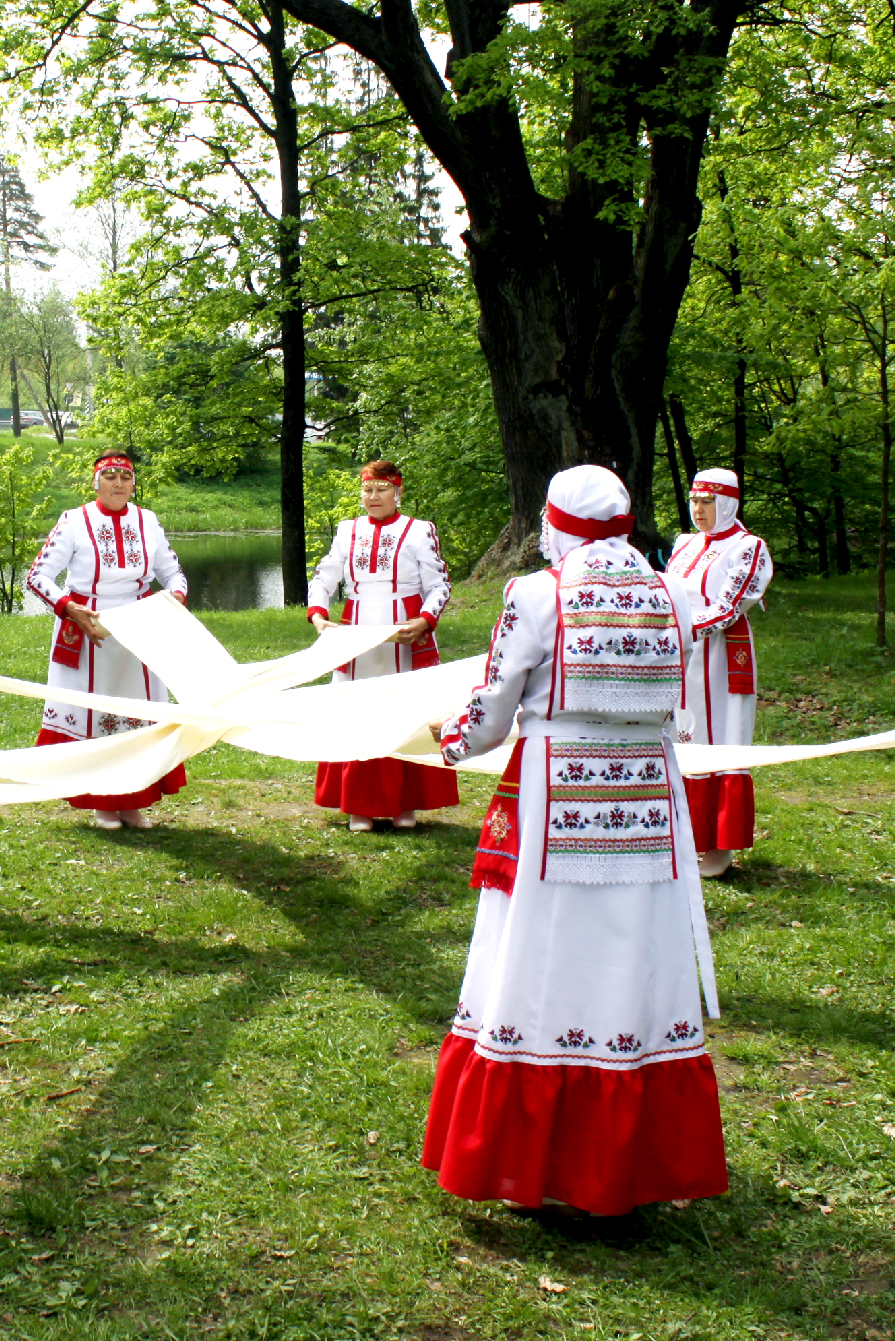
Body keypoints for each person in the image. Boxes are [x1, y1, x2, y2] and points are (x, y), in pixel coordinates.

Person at [423, 465, 725, 1215]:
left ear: (553, 523)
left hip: (557, 796)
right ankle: (634, 1158)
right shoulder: (676, 592)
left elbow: (493, 708)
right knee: (638, 957)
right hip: (649, 797)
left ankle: (535, 1160)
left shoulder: (537, 593)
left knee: (542, 955)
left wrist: (449, 740)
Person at [24, 450, 189, 830]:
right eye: (110, 476)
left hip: (139, 624)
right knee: (96, 713)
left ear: (133, 484)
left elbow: (173, 572)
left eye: (125, 477)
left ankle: (133, 803)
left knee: (138, 714)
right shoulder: (74, 521)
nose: (118, 483)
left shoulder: (147, 521)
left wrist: (174, 598)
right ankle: (101, 803)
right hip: (89, 627)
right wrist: (70, 608)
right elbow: (37, 577)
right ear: (96, 482)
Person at [306, 460, 459, 831]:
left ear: (397, 492)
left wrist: (424, 620)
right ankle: (359, 804)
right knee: (358, 710)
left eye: (381, 490)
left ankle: (404, 804)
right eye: (367, 490)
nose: (373, 497)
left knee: (405, 710)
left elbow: (440, 585)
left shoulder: (419, 531)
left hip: (405, 632)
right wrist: (318, 615)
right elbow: (324, 577)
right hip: (357, 631)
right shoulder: (347, 531)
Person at [667, 468, 773, 878]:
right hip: (680, 652)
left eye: (708, 502)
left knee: (720, 733)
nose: (699, 510)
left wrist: (682, 627)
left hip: (720, 655)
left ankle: (719, 838)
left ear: (727, 504)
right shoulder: (685, 544)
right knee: (683, 732)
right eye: (695, 501)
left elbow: (731, 606)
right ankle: (685, 830)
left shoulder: (748, 548)